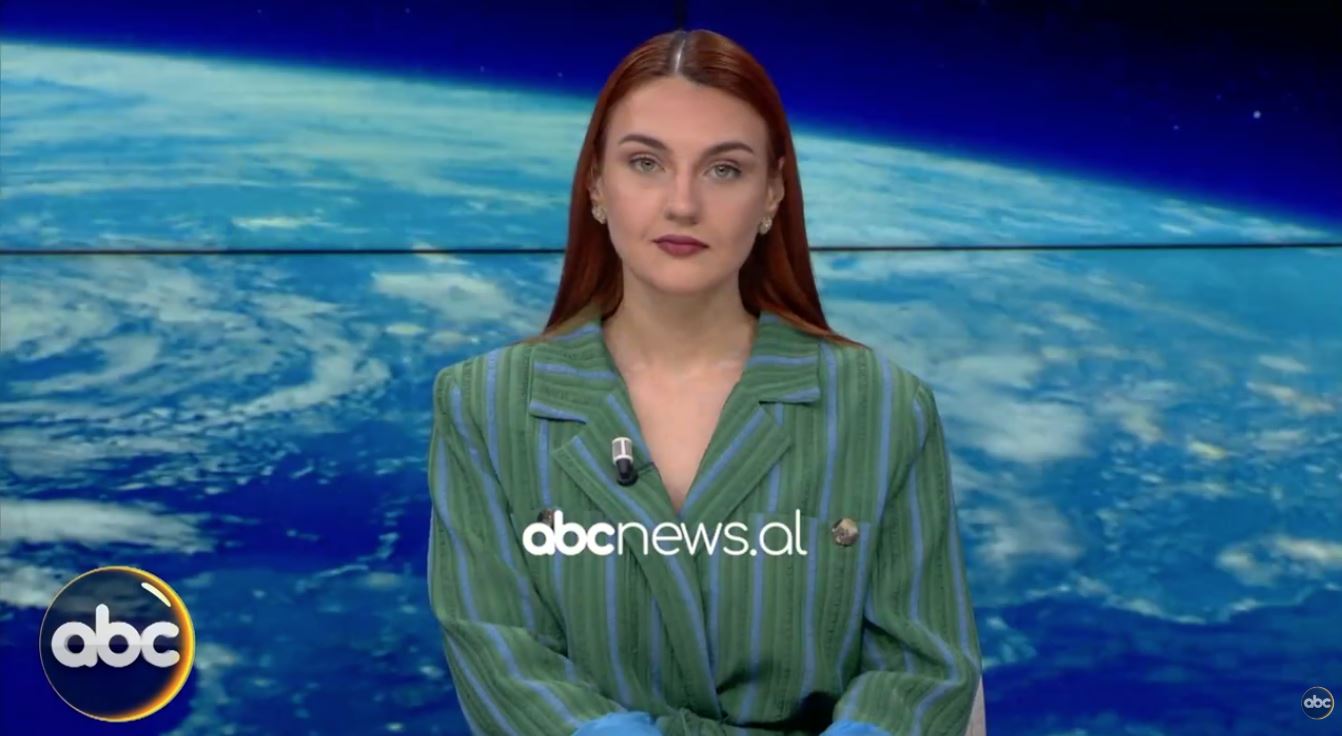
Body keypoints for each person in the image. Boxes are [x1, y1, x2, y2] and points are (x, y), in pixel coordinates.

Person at [426, 28, 984, 736]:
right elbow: (502, 661)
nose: (683, 203)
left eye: (724, 169)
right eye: (646, 163)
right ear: (596, 184)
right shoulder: (481, 405)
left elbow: (924, 669)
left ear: (772, 193)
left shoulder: (883, 406)